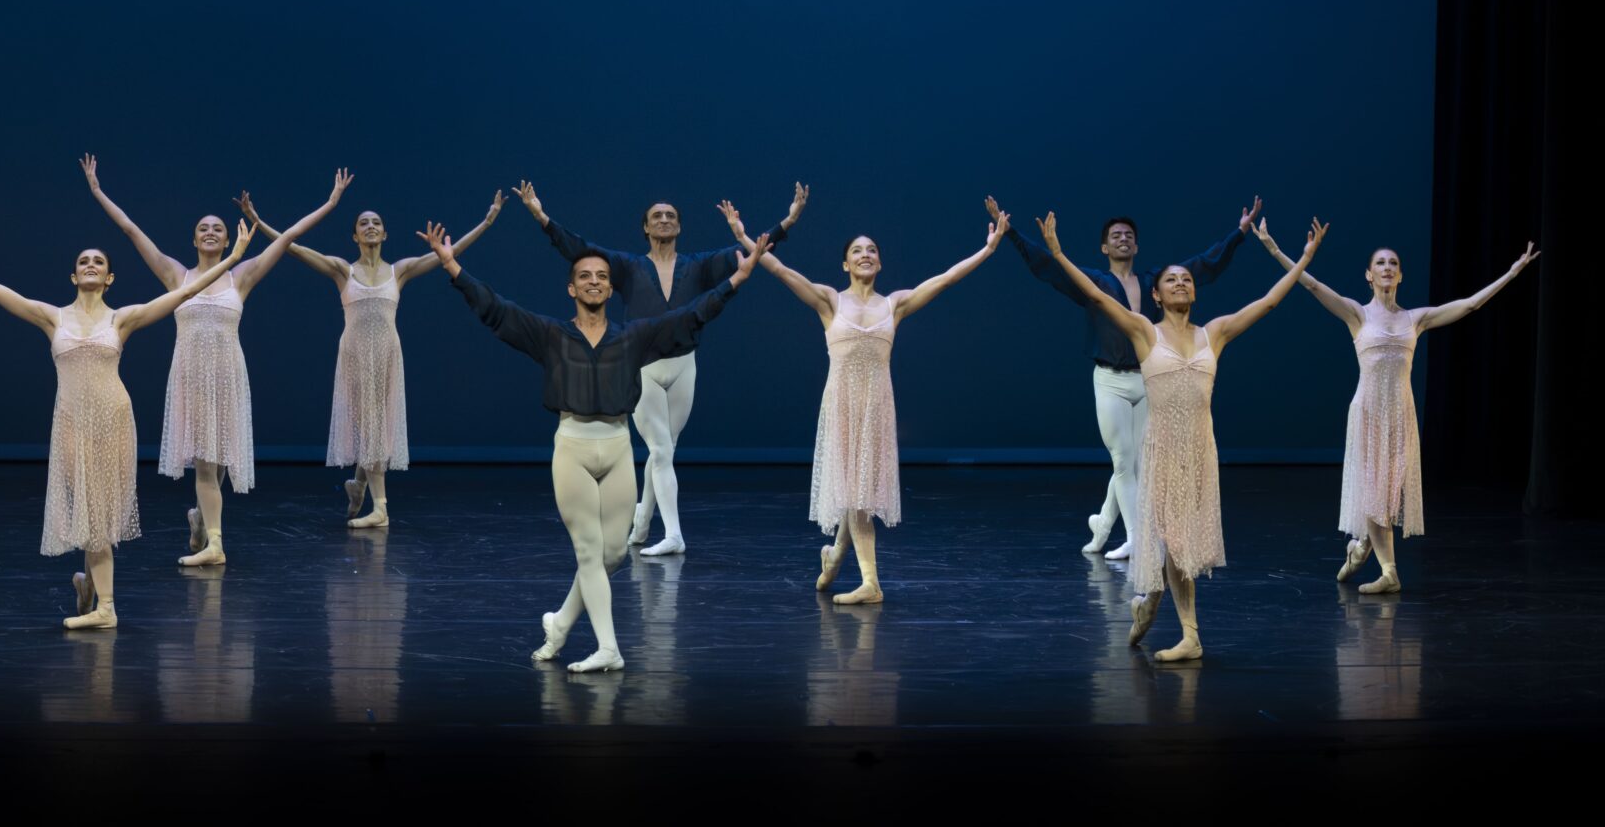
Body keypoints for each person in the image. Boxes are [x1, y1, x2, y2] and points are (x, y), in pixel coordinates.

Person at [424, 218, 769, 672]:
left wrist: (736, 281)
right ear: (572, 288)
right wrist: (453, 268)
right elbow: (497, 311)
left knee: (613, 555)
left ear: (610, 289)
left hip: (618, 447)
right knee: (589, 551)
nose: (594, 281)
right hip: (573, 448)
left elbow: (691, 316)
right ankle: (609, 648)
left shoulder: (633, 336)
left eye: (602, 277)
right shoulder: (551, 335)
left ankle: (561, 623)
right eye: (585, 276)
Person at [0, 208, 251, 629]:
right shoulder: (52, 317)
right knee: (86, 511)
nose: (91, 265)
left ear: (109, 277)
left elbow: (185, 293)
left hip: (114, 420)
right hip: (71, 423)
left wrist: (233, 258)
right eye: (84, 261)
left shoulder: (122, 318)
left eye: (99, 261)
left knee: (99, 514)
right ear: (73, 275)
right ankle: (87, 587)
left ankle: (107, 608)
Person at [1039, 211, 1323, 662]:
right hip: (1162, 451)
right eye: (1171, 280)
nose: (1180, 283)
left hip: (1200, 452)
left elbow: (1268, 302)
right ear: (1155, 294)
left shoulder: (1215, 334)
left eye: (1186, 279)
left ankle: (1154, 604)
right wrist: (1057, 253)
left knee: (1182, 545)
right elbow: (1094, 294)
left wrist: (1303, 259)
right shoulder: (1144, 333)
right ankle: (1186, 631)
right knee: (1173, 541)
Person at [512, 182, 805, 555]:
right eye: (657, 216)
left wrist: (787, 221)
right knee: (661, 449)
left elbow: (754, 252)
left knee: (663, 451)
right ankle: (674, 535)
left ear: (679, 227)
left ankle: (641, 521)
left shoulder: (698, 266)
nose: (664, 220)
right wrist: (542, 217)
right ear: (646, 228)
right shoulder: (627, 267)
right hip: (642, 367)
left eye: (670, 216)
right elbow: (580, 250)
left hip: (684, 365)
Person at [82, 157, 345, 565]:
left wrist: (330, 203)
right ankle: (216, 546)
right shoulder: (177, 275)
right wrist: (98, 192)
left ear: (228, 241)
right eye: (203, 228)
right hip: (190, 375)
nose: (210, 232)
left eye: (217, 229)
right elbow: (132, 230)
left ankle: (202, 520)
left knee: (218, 458)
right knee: (205, 461)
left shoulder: (242, 276)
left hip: (227, 375)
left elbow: (290, 236)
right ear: (194, 240)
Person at [1253, 220, 1537, 593]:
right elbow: (1311, 284)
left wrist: (1512, 273)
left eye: (1393, 264)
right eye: (1380, 263)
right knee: (1373, 491)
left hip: (1401, 416)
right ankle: (1390, 573)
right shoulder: (1357, 314)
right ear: (1369, 275)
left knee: (1387, 498)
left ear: (1400, 276)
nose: (1387, 268)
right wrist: (1274, 248)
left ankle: (1361, 547)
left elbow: (1470, 305)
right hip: (1368, 413)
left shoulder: (1414, 319)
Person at [757, 209, 1006, 605]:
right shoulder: (830, 301)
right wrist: (744, 237)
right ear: (845, 263)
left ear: (880, 262)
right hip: (842, 406)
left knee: (860, 494)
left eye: (872, 250)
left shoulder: (895, 305)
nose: (865, 255)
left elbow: (946, 278)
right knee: (853, 493)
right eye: (857, 251)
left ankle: (838, 560)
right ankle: (869, 581)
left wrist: (988, 250)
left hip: (876, 407)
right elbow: (782, 271)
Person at [988, 196, 1259, 557]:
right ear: (1104, 247)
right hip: (1110, 380)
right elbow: (1049, 265)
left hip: (1148, 382)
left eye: (1129, 235)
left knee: (1139, 463)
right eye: (1115, 235)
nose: (1123, 238)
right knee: (1123, 460)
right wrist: (1012, 234)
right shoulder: (1095, 282)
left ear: (1137, 245)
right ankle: (1137, 538)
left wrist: (1238, 234)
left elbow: (1201, 265)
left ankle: (1103, 524)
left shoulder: (1153, 282)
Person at [242, 190, 505, 528]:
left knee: (375, 427)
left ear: (384, 234)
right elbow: (292, 247)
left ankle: (363, 489)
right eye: (363, 223)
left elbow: (447, 255)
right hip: (355, 355)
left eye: (376, 223)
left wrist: (486, 222)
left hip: (386, 355)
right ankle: (378, 505)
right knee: (370, 426)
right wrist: (258, 221)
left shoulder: (399, 271)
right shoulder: (342, 270)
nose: (370, 226)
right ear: (355, 236)